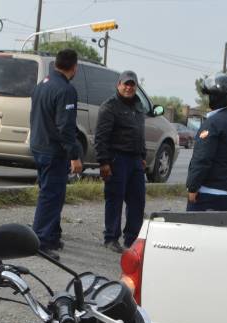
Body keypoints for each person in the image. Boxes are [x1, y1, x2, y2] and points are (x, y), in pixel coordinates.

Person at [30, 49, 84, 258]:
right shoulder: (65, 90)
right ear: (74, 67)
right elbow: (66, 127)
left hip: (39, 146)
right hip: (53, 150)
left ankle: (51, 235)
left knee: (52, 192)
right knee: (51, 196)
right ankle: (40, 241)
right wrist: (74, 156)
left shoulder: (42, 85)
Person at [94, 70, 148, 254]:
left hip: (135, 161)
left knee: (137, 201)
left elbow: (140, 134)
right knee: (115, 199)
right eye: (126, 84)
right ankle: (111, 237)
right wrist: (104, 162)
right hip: (117, 159)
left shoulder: (138, 106)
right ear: (118, 85)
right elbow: (101, 137)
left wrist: (142, 156)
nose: (129, 87)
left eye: (132, 84)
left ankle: (132, 238)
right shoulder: (109, 106)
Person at [185, 74, 227, 211]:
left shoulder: (213, 123)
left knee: (196, 231)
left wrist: (192, 187)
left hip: (208, 193)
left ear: (218, 97)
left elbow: (202, 158)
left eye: (211, 95)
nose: (209, 98)